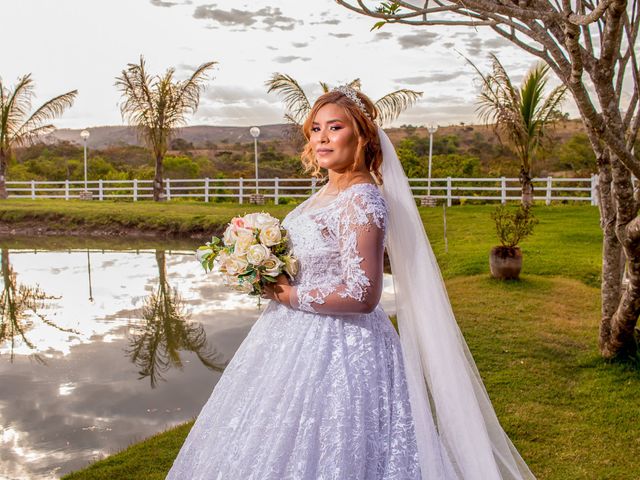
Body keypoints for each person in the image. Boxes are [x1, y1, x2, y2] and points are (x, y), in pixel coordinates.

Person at [166, 87, 536, 479]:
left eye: (335, 127)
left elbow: (363, 294)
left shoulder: (362, 200)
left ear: (361, 136)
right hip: (289, 338)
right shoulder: (326, 193)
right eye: (315, 129)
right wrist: (264, 267)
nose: (321, 138)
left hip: (344, 347)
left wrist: (291, 294)